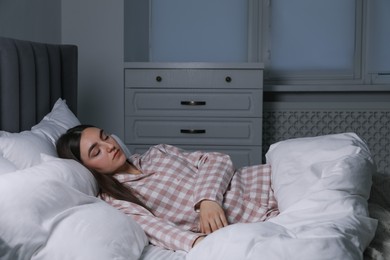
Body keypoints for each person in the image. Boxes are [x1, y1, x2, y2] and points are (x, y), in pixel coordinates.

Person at [56, 124, 279, 252]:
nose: (109, 146)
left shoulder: (157, 152)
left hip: (269, 179)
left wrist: (207, 200)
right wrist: (207, 246)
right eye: (97, 151)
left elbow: (217, 160)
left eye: (105, 137)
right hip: (264, 217)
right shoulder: (117, 201)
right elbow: (159, 231)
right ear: (87, 168)